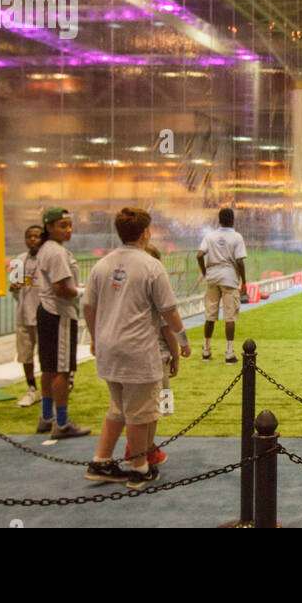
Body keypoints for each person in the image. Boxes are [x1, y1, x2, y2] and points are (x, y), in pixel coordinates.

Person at [83, 208, 183, 489]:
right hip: (138, 350)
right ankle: (139, 467)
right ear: (145, 232)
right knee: (141, 411)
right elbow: (169, 311)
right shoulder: (152, 266)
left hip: (108, 348)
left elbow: (89, 307)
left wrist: (95, 337)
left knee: (118, 407)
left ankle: (101, 459)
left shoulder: (101, 265)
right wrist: (183, 342)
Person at [120, 243, 191, 470]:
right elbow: (167, 326)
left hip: (131, 355)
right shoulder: (155, 290)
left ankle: (141, 448)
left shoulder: (128, 290)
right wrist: (179, 352)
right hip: (154, 357)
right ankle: (142, 451)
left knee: (140, 406)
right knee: (152, 407)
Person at [34, 207, 90, 439]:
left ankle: (47, 417)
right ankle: (62, 422)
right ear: (49, 227)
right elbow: (61, 289)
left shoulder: (49, 249)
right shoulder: (55, 252)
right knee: (62, 369)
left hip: (48, 312)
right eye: (62, 225)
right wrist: (84, 291)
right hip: (59, 314)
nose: (68, 230)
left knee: (49, 368)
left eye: (69, 225)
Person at [196, 208, 247, 364]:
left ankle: (206, 351)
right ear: (232, 220)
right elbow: (239, 261)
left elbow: (199, 255)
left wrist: (205, 272)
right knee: (229, 316)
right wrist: (244, 281)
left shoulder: (210, 236)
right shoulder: (236, 237)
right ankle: (229, 353)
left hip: (212, 277)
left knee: (210, 315)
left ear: (219, 220)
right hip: (229, 278)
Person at [9, 225, 43, 407]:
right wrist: (13, 287)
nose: (32, 239)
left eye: (37, 236)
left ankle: (51, 390)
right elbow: (13, 289)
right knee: (25, 355)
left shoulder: (49, 260)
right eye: (29, 236)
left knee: (46, 357)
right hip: (24, 316)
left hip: (45, 317)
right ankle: (32, 389)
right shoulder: (19, 261)